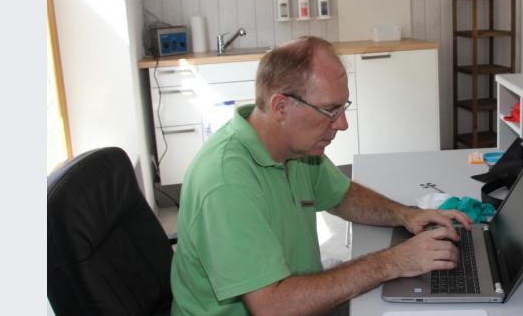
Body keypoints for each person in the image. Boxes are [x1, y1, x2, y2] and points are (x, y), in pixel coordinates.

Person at [170, 36, 471, 316]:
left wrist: (405, 215)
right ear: (281, 107)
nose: (342, 124)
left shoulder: (295, 149)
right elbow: (272, 306)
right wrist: (393, 262)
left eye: (343, 107)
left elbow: (342, 195)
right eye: (330, 110)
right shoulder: (227, 183)